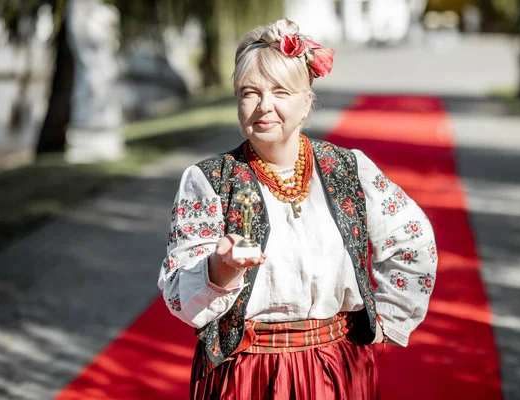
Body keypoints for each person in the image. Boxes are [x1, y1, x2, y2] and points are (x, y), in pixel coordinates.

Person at [158, 18, 438, 400]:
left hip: (334, 368)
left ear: (306, 101)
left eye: (280, 92)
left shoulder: (348, 168)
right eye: (249, 93)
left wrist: (386, 322)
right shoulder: (208, 181)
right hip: (245, 373)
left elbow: (412, 238)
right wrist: (219, 270)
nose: (264, 106)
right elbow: (179, 293)